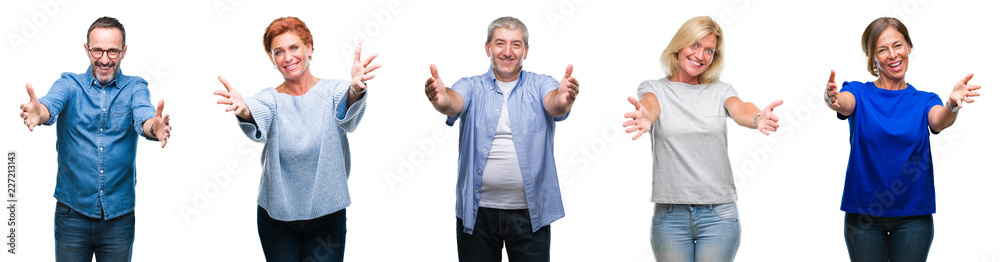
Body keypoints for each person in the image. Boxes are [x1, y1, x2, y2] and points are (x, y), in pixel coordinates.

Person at [212, 17, 379, 262]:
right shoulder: (270, 99)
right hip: (277, 218)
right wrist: (244, 109)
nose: (287, 57)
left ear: (309, 48)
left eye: (294, 48)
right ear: (272, 59)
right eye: (278, 52)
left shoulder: (333, 92)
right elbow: (257, 113)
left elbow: (348, 114)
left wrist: (356, 89)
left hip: (327, 215)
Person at [622, 16, 783, 262]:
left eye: (709, 50)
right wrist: (646, 116)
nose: (701, 56)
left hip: (718, 215)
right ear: (679, 45)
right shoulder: (654, 88)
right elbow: (650, 105)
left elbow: (740, 108)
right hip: (669, 217)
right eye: (695, 45)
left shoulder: (721, 91)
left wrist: (757, 117)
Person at [824, 17, 981, 262]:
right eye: (882, 50)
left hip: (913, 217)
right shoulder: (858, 92)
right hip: (863, 216)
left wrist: (951, 104)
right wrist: (832, 99)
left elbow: (939, 120)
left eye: (898, 45)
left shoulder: (924, 100)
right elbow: (844, 104)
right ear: (872, 57)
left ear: (908, 47)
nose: (893, 55)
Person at [423, 16, 579, 262]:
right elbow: (453, 102)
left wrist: (564, 99)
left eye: (516, 44)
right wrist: (441, 99)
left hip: (530, 216)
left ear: (526, 50)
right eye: (500, 44)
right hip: (477, 215)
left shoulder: (541, 84)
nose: (508, 52)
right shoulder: (471, 86)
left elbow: (555, 103)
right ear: (488, 48)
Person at [17, 16, 172, 261]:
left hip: (118, 219)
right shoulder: (69, 84)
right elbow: (50, 105)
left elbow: (144, 115)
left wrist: (155, 127)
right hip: (72, 215)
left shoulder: (135, 87)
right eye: (97, 50)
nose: (104, 59)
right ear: (86, 50)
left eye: (112, 51)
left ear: (124, 52)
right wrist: (40, 113)